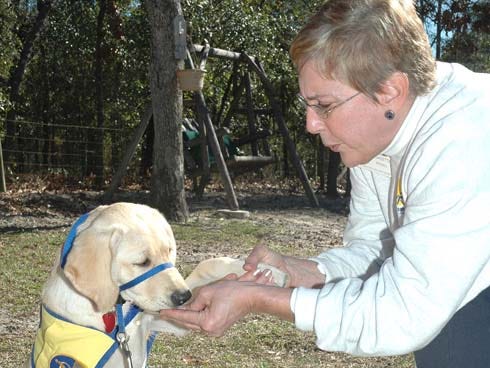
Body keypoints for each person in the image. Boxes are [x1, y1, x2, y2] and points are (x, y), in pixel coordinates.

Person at [160, 0, 490, 366]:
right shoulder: (378, 134)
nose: (310, 125)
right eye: (308, 105)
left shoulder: (462, 140)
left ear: (390, 91)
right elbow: (376, 251)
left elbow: (404, 313)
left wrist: (258, 300)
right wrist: (297, 272)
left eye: (325, 106)